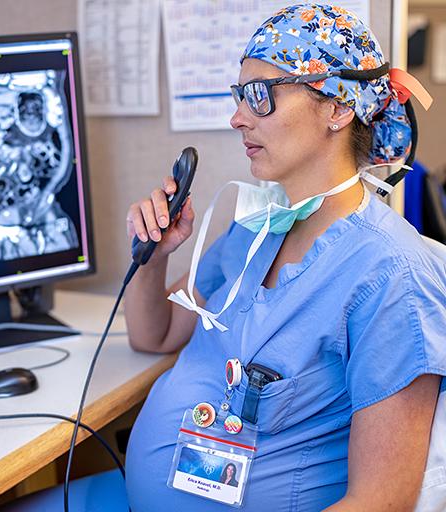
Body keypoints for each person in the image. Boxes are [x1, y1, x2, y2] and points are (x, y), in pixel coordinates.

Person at [123, 4, 446, 510]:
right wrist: (154, 258)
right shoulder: (256, 229)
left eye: (260, 96)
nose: (236, 118)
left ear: (338, 106)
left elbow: (381, 502)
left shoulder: (392, 275)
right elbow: (154, 334)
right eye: (239, 96)